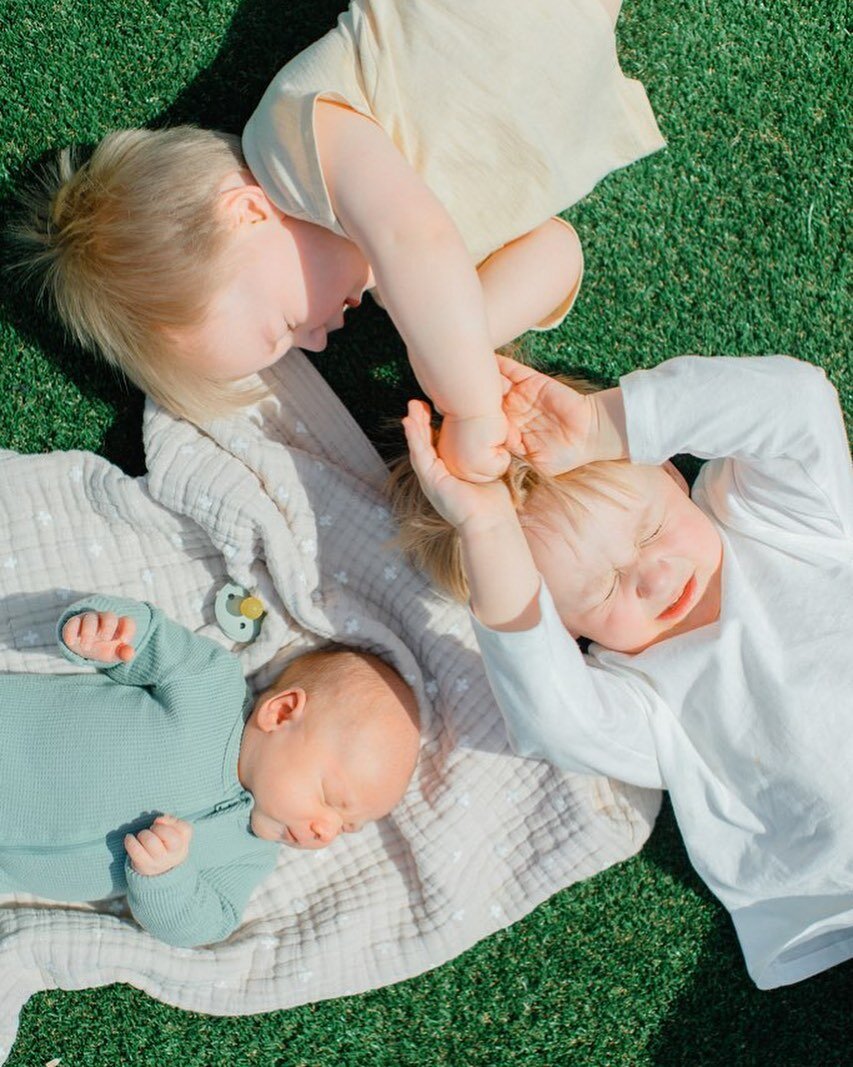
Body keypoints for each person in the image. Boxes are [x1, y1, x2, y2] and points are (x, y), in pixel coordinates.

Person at [11, 0, 664, 482]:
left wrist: (463, 403)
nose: (319, 340)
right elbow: (556, 252)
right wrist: (451, 339)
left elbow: (416, 236)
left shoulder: (295, 146)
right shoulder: (401, 285)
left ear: (244, 213)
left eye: (287, 325)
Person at [396, 351, 853, 989]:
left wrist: (600, 426)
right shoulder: (642, 698)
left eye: (651, 530)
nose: (654, 576)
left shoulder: (779, 522)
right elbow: (553, 718)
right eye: (604, 591)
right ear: (567, 633)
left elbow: (796, 404)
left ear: (668, 469)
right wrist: (488, 532)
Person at [0, 594, 420, 948]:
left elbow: (205, 926)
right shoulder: (211, 687)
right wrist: (106, 632)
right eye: (331, 800)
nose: (324, 833)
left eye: (347, 828)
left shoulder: (248, 855)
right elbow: (150, 641)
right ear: (282, 712)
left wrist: (165, 878)